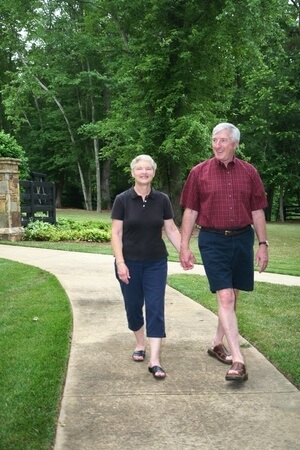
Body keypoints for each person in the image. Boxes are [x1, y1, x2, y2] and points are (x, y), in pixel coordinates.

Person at [179, 123, 269, 382]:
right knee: (226, 297)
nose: (217, 145)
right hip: (212, 240)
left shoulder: (249, 172)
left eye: (223, 140)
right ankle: (238, 361)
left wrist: (263, 245)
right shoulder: (199, 172)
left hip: (242, 239)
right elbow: (190, 212)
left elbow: (257, 211)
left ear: (235, 144)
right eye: (214, 140)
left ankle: (217, 343)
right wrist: (184, 247)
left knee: (233, 295)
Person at [111, 154, 182, 379]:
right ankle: (140, 343)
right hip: (128, 263)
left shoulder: (162, 200)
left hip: (155, 262)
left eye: (148, 169)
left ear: (153, 172)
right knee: (133, 307)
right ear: (133, 173)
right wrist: (121, 263)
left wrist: (184, 252)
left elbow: (171, 229)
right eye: (139, 169)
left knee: (155, 307)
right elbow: (116, 233)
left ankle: (155, 360)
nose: (144, 172)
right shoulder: (122, 200)